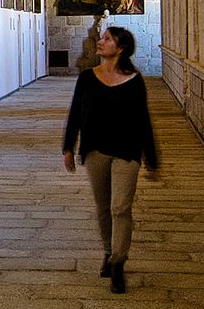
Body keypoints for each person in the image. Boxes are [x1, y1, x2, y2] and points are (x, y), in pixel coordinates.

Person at [62, 25, 160, 295]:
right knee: (103, 207)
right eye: (102, 38)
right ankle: (108, 251)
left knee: (121, 207)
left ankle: (118, 261)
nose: (101, 42)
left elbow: (143, 120)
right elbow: (75, 114)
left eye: (107, 39)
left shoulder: (134, 80)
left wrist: (150, 158)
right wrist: (68, 146)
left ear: (120, 48)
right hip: (95, 151)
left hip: (127, 152)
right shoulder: (87, 78)